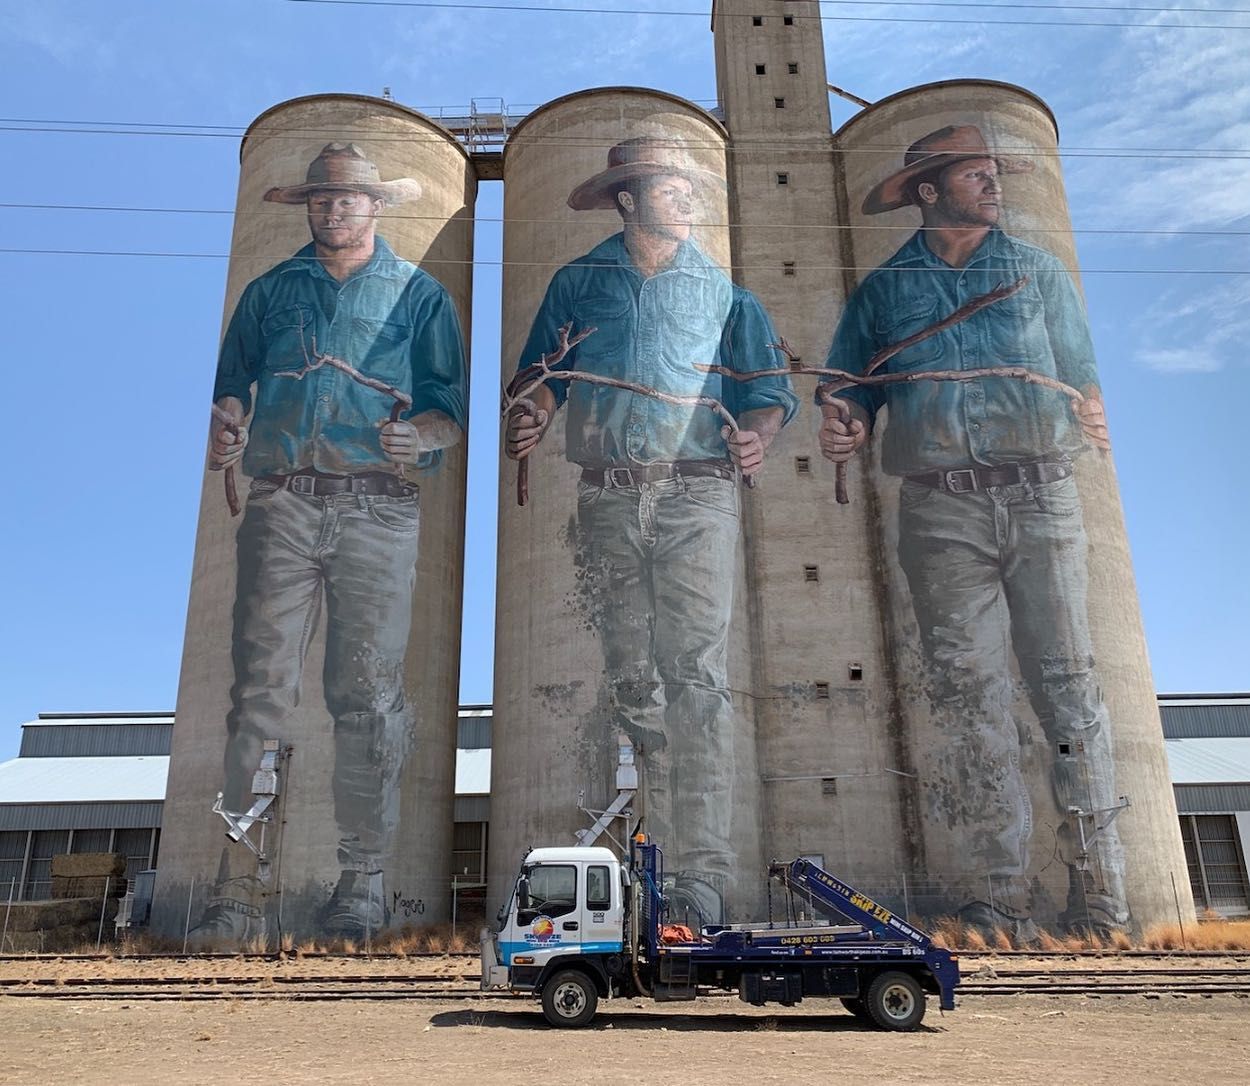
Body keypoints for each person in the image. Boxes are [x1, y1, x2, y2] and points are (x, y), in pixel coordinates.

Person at [819, 125, 1127, 937]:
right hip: (938, 507)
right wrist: (846, 421)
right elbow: (848, 384)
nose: (993, 185)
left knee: (1070, 686)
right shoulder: (883, 291)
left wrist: (1090, 406)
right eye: (975, 175)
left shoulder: (1039, 270)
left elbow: (1082, 372)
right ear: (929, 191)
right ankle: (1002, 894)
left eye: (996, 173)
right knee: (969, 697)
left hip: (1044, 495)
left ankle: (1102, 897)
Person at [506, 137, 797, 925]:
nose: (690, 197)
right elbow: (539, 380)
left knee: (696, 676)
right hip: (605, 497)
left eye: (691, 186)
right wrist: (531, 415)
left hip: (697, 495)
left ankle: (699, 878)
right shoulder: (578, 282)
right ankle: (645, 864)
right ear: (628, 199)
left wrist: (758, 435)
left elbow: (767, 393)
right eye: (672, 187)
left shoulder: (729, 296)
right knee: (633, 676)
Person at [200, 142, 467, 940]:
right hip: (281, 504)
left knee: (368, 698)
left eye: (349, 198)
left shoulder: (421, 296)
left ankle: (362, 883)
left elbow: (448, 406)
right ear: (307, 206)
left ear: (377, 206)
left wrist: (417, 436)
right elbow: (230, 386)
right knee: (256, 691)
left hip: (379, 512)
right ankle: (234, 883)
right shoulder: (269, 291)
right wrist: (229, 422)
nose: (334, 209)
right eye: (322, 199)